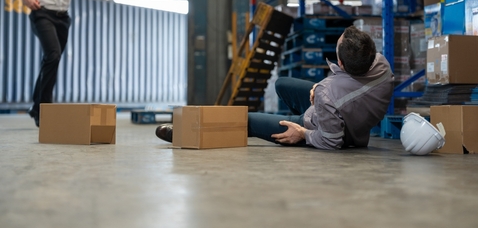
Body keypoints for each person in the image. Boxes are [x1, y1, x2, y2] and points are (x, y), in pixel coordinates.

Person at [156, 25, 394, 149]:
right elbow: (347, 84)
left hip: (331, 132)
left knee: (246, 121)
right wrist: (322, 87)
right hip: (343, 109)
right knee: (282, 84)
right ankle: (293, 117)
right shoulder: (381, 65)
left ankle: (186, 131)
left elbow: (331, 142)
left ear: (341, 63)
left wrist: (303, 134)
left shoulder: (327, 93)